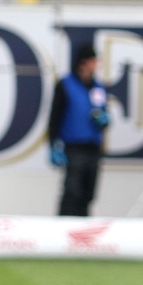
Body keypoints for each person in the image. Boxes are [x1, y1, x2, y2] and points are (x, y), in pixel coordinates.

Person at [47, 42, 110, 216]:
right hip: (73, 146)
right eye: (94, 61)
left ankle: (83, 231)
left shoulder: (98, 87)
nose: (97, 64)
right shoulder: (65, 85)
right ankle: (64, 227)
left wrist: (104, 120)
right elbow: (54, 117)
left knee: (88, 192)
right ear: (84, 62)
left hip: (93, 147)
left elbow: (103, 114)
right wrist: (53, 144)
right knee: (72, 190)